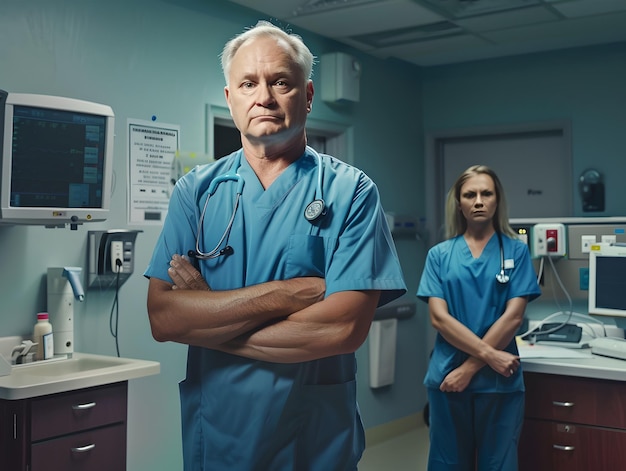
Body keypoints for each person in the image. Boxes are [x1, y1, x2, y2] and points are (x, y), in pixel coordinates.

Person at [144, 20, 406, 471]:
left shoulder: (352, 192)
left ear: (306, 95)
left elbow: (342, 330)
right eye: (248, 83)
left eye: (279, 82)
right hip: (219, 435)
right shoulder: (197, 193)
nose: (263, 96)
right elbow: (164, 317)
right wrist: (286, 294)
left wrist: (208, 317)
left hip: (313, 439)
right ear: (231, 99)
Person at [417, 165, 541, 470]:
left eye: (486, 193)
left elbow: (513, 317)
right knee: (447, 462)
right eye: (469, 194)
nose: (479, 201)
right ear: (459, 203)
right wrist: (489, 356)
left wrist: (469, 369)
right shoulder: (440, 255)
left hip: (498, 381)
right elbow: (439, 319)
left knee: (499, 463)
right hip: (449, 375)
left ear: (497, 200)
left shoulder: (516, 252)